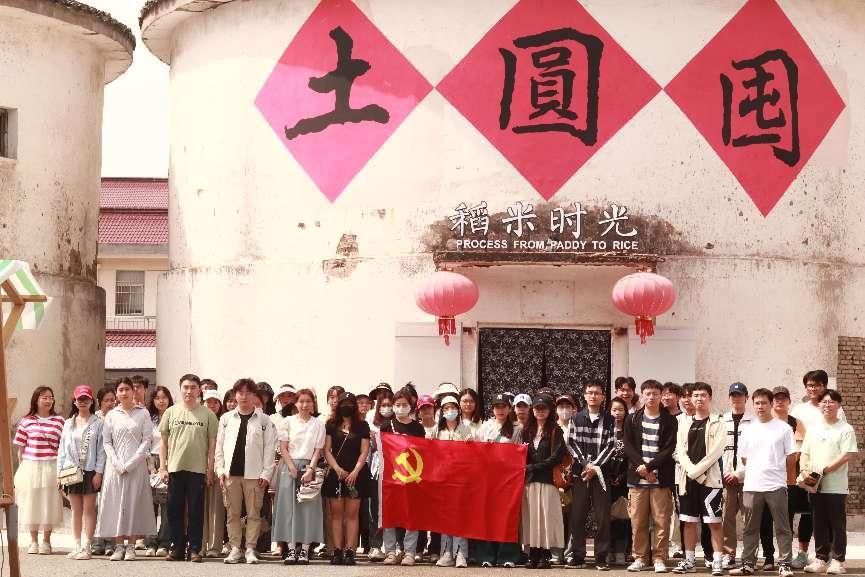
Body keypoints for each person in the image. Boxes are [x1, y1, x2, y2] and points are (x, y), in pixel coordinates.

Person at [729, 388, 795, 577]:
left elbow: (791, 457)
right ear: (753, 404)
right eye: (757, 403)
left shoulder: (784, 428)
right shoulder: (748, 430)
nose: (760, 406)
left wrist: (775, 470)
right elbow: (744, 458)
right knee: (750, 528)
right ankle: (748, 564)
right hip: (752, 485)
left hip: (776, 485)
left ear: (771, 403)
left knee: (783, 528)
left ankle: (785, 564)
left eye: (764, 403)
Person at [215, 378, 278, 565]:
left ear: (254, 396)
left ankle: (250, 548)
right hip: (230, 474)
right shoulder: (226, 419)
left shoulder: (264, 420)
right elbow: (219, 447)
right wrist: (220, 470)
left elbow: (269, 449)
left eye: (248, 393)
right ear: (235, 395)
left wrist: (266, 474)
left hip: (254, 475)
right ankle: (235, 548)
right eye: (240, 393)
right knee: (232, 513)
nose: (244, 396)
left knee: (253, 514)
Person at [96, 378, 157, 561]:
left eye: (127, 389)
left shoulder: (143, 413)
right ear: (116, 393)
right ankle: (118, 545)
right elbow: (107, 442)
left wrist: (131, 464)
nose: (124, 393)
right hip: (114, 468)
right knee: (116, 504)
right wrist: (116, 463)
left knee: (133, 504)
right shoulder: (111, 415)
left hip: (136, 467)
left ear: (133, 391)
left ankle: (131, 545)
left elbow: (147, 440)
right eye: (120, 390)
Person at [159, 374, 218, 562]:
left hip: (198, 470)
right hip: (175, 468)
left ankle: (194, 548)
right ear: (180, 389)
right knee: (174, 510)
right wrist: (162, 467)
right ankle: (176, 547)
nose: (189, 391)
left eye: (193, 387)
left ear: (199, 390)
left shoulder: (208, 414)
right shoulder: (171, 412)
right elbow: (163, 443)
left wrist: (210, 469)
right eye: (185, 387)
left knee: (196, 511)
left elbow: (212, 445)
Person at [800, 390, 858, 575]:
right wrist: (804, 470)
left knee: (837, 525)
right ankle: (821, 559)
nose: (827, 405)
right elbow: (805, 453)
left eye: (832, 402)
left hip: (836, 486)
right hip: (815, 485)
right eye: (824, 402)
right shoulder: (813, 429)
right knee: (818, 524)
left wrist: (824, 470)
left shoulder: (845, 429)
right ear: (819, 405)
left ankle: (839, 561)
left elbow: (847, 455)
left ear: (839, 405)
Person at [624, 379, 678, 573]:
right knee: (638, 522)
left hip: (660, 479)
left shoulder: (670, 420)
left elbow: (669, 448)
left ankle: (659, 558)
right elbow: (628, 446)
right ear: (642, 395)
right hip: (637, 479)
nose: (652, 397)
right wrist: (643, 468)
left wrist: (649, 467)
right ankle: (640, 557)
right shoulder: (632, 419)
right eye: (648, 394)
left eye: (656, 393)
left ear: (661, 395)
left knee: (661, 522)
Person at [673, 382, 725, 576]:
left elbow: (716, 452)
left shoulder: (718, 422)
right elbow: (680, 451)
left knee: (714, 522)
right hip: (687, 481)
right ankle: (689, 561)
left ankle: (717, 561)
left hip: (710, 482)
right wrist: (692, 472)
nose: (699, 399)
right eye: (695, 395)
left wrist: (697, 473)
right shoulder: (684, 423)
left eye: (703, 395)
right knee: (688, 522)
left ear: (709, 398)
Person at [566, 381, 616, 569]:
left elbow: (611, 445)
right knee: (578, 515)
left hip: (601, 475)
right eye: (590, 392)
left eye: (597, 393)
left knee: (602, 516)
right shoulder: (576, 418)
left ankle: (601, 556)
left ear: (603, 397)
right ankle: (578, 555)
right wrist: (585, 464)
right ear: (585, 396)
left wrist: (595, 467)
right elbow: (571, 442)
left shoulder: (610, 420)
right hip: (581, 474)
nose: (593, 396)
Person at [273, 388, 325, 565]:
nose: (304, 405)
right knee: (288, 508)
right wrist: (290, 466)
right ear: (296, 403)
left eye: (308, 401)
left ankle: (304, 548)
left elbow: (318, 450)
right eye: (301, 401)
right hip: (289, 466)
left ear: (313, 403)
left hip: (309, 467)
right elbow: (283, 447)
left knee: (307, 508)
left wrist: (310, 469)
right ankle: (290, 547)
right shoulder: (287, 422)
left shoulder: (318, 424)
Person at [13, 386, 65, 555]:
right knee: (31, 503)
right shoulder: (26, 421)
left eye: (51, 397)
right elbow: (21, 449)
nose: (48, 400)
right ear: (36, 399)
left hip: (52, 465)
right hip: (31, 466)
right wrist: (21, 469)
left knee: (49, 503)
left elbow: (63, 446)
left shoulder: (59, 421)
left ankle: (46, 541)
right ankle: (33, 541)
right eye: (44, 397)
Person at [474, 393, 523, 568]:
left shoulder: (517, 429)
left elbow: (520, 453)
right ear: (492, 409)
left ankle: (507, 555)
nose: (500, 410)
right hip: (488, 479)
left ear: (509, 409)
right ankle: (486, 555)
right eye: (497, 407)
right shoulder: (485, 427)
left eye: (503, 407)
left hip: (508, 479)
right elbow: (476, 450)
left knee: (507, 517)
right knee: (487, 516)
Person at [323, 392, 371, 565]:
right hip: (336, 475)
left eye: (350, 403)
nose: (346, 406)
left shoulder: (362, 426)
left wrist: (355, 471)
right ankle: (337, 550)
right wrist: (337, 469)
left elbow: (364, 451)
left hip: (356, 476)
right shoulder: (331, 424)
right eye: (343, 403)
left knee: (352, 515)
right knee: (336, 515)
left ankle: (350, 550)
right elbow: (327, 450)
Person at [57, 385, 106, 560]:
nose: (83, 402)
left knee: (89, 509)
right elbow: (62, 449)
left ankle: (87, 546)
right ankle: (77, 545)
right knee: (75, 509)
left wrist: (98, 473)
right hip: (71, 471)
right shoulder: (68, 423)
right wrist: (59, 473)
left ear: (91, 401)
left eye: (86, 399)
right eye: (80, 399)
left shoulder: (98, 423)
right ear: (75, 401)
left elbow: (101, 451)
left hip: (90, 470)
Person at [380, 388, 426, 565]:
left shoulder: (417, 427)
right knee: (389, 513)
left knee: (411, 514)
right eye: (397, 404)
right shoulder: (386, 426)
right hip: (391, 477)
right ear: (393, 406)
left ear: (411, 405)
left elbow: (422, 451)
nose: (401, 407)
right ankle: (390, 552)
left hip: (412, 477)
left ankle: (409, 552)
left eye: (404, 404)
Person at [522, 393, 566, 569]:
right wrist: (528, 468)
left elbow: (557, 456)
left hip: (548, 480)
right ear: (532, 410)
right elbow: (522, 454)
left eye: (544, 408)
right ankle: (533, 554)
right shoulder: (527, 430)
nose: (540, 411)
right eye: (537, 408)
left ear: (550, 411)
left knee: (546, 518)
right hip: (530, 481)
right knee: (532, 518)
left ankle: (545, 555)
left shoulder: (556, 430)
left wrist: (534, 467)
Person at [769, 386, 810, 570]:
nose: (780, 401)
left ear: (789, 401)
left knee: (786, 520)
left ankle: (785, 557)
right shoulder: (765, 421)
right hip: (767, 480)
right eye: (776, 398)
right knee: (765, 521)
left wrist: (780, 464)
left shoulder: (796, 423)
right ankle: (768, 557)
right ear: (771, 401)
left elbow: (798, 451)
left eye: (783, 398)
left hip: (789, 480)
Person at [434, 395, 473, 568]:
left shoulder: (465, 429)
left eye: (453, 407)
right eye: (446, 408)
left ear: (458, 410)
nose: (450, 411)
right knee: (445, 516)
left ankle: (461, 554)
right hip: (442, 479)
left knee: (460, 516)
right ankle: (446, 553)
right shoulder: (437, 431)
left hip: (460, 479)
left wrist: (470, 443)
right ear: (442, 412)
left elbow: (473, 452)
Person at [722, 382, 754, 569]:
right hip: (726, 478)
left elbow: (756, 452)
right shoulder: (721, 420)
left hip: (748, 478)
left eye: (740, 395)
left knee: (749, 519)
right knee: (727, 519)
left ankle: (749, 555)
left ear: (746, 398)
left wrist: (739, 473)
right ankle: (729, 554)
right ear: (729, 398)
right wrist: (725, 473)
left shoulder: (754, 422)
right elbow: (718, 450)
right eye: (733, 395)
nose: (736, 398)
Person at [366, 388, 394, 562]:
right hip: (377, 470)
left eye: (389, 405)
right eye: (383, 405)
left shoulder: (397, 424)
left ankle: (394, 546)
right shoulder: (371, 424)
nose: (386, 408)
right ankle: (375, 546)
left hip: (396, 471)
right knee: (376, 509)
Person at [145, 385, 173, 557]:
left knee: (166, 504)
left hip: (169, 461)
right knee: (150, 505)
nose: (161, 401)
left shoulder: (174, 416)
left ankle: (164, 542)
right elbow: (144, 441)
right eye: (157, 398)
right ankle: (150, 542)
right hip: (150, 461)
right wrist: (150, 465)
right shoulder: (148, 418)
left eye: (164, 397)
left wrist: (167, 464)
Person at [606, 397, 632, 566]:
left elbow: (632, 457)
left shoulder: (630, 431)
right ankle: (608, 550)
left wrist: (621, 477)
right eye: (614, 410)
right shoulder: (605, 430)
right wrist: (609, 475)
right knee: (607, 517)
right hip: (605, 479)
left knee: (623, 517)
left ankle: (621, 551)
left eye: (621, 410)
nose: (617, 413)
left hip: (624, 480)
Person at [92, 386, 117, 557]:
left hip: (113, 466)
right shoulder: (94, 419)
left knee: (111, 505)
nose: (110, 403)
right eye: (106, 400)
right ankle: (97, 540)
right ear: (99, 402)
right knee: (95, 505)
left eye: (112, 400)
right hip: (95, 467)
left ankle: (110, 542)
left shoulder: (118, 417)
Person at [201, 389, 226, 557]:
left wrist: (216, 468)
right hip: (199, 467)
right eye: (208, 401)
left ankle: (215, 546)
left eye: (215, 402)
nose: (212, 405)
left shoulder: (224, 422)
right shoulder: (199, 420)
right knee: (200, 509)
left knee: (217, 509)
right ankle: (200, 545)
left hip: (218, 468)